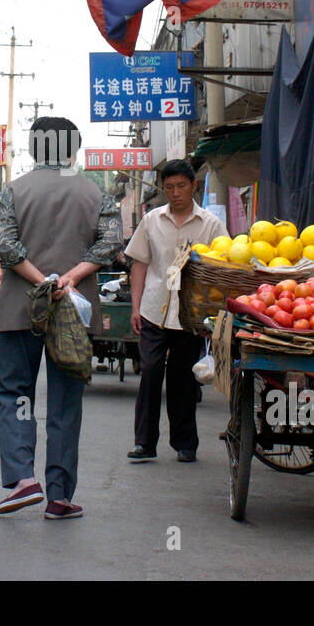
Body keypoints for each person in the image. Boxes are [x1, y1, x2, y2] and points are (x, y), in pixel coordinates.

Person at [0, 117, 122, 519]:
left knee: (14, 392)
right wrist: (69, 279)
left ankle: (22, 478)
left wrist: (43, 281)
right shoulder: (96, 194)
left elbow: (6, 247)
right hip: (74, 311)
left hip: (19, 309)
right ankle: (60, 497)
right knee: (66, 402)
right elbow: (112, 243)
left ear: (34, 148)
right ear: (72, 150)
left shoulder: (13, 191)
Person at [125, 159, 228, 463]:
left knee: (183, 377)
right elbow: (140, 264)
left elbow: (222, 269)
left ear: (193, 185)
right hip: (153, 308)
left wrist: (214, 314)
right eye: (169, 187)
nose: (175, 193)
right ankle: (144, 443)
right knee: (151, 372)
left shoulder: (210, 224)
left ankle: (185, 443)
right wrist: (134, 306)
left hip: (191, 313)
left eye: (181, 186)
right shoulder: (152, 220)